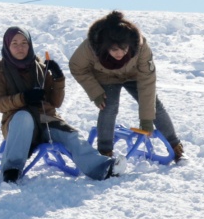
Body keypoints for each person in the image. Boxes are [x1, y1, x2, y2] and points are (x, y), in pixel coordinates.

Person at [0, 27, 115, 183]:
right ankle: (11, 170)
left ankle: (102, 167)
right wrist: (24, 98)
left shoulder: (40, 68)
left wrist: (58, 78)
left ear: (30, 45)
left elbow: (56, 102)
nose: (20, 47)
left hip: (45, 120)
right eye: (14, 43)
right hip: (17, 124)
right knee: (24, 117)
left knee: (71, 134)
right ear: (7, 46)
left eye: (24, 43)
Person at [68, 10, 186, 162]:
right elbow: (76, 66)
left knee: (154, 105)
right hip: (106, 76)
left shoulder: (141, 47)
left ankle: (176, 147)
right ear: (105, 46)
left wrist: (146, 120)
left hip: (133, 75)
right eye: (114, 49)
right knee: (108, 106)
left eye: (124, 49)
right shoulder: (91, 46)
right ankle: (105, 152)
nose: (120, 54)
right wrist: (95, 91)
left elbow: (147, 84)